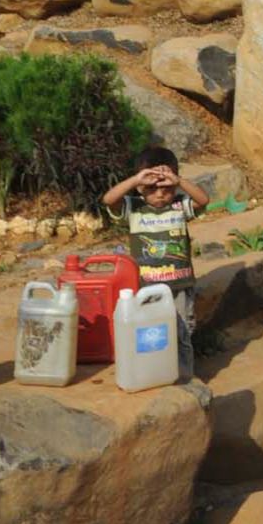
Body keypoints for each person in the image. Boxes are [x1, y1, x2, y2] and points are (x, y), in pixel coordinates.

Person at [102, 146, 208, 379]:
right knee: (151, 334)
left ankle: (184, 379)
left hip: (179, 286)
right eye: (151, 189)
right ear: (141, 187)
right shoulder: (135, 207)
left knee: (181, 334)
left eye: (166, 189)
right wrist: (136, 180)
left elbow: (203, 199)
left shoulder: (179, 205)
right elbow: (109, 200)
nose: (160, 194)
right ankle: (156, 374)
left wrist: (178, 181)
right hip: (146, 286)